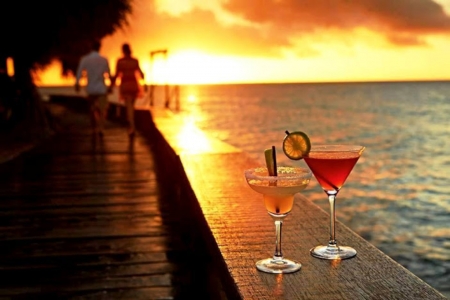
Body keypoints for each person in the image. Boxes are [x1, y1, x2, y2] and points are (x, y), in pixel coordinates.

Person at [75, 40, 112, 136]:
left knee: (92, 109)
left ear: (91, 47)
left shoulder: (85, 59)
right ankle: (101, 128)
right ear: (99, 47)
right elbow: (108, 74)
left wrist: (77, 84)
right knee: (103, 109)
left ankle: (93, 128)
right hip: (101, 89)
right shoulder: (104, 59)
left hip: (90, 88)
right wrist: (111, 86)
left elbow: (79, 72)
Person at [111, 43, 145, 136]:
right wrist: (145, 84)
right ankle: (131, 125)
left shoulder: (120, 61)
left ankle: (131, 126)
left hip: (125, 85)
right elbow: (141, 74)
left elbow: (117, 74)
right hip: (134, 85)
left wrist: (111, 85)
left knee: (128, 106)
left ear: (123, 50)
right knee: (131, 106)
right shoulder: (135, 61)